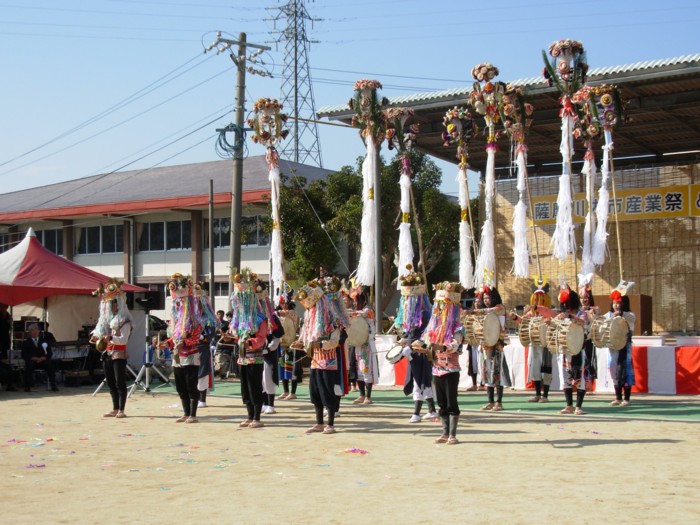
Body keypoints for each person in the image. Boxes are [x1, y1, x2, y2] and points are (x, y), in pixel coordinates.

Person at [294, 277, 348, 435]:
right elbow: (307, 339)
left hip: (328, 360)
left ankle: (330, 423)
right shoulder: (310, 319)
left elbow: (335, 340)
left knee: (327, 391)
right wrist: (300, 343)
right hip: (315, 361)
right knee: (315, 391)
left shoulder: (332, 319)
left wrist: (320, 345)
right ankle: (319, 422)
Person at [415, 281, 464, 444]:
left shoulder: (456, 327)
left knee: (451, 402)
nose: (441, 309)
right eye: (439, 305)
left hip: (450, 369)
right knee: (441, 402)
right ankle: (444, 432)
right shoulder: (434, 326)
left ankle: (452, 434)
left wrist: (441, 346)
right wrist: (420, 346)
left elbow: (455, 345)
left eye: (444, 305)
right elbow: (425, 341)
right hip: (437, 368)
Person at [228, 272, 272, 428]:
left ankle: (257, 417)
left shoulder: (260, 318)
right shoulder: (238, 318)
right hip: (242, 357)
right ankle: (249, 415)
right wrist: (233, 336)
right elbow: (234, 331)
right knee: (245, 388)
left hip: (255, 357)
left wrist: (250, 343)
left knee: (255, 387)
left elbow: (262, 338)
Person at [394, 265, 437, 423]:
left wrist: (413, 344)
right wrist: (402, 341)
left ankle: (417, 412)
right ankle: (431, 410)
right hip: (413, 349)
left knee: (420, 379)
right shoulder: (409, 312)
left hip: (421, 350)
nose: (407, 300)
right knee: (420, 378)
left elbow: (428, 332)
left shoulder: (425, 312)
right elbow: (409, 333)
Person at [162, 274, 203, 423]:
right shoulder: (175, 321)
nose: (178, 304)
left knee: (191, 385)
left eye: (181, 301)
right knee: (180, 386)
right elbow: (174, 338)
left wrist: (183, 343)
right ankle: (186, 412)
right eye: (177, 302)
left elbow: (195, 337)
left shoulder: (194, 320)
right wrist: (167, 343)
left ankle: (193, 414)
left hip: (191, 355)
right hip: (178, 356)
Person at [91, 279, 132, 415]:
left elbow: (123, 340)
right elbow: (101, 332)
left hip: (119, 354)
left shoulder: (125, 322)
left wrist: (111, 338)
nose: (112, 306)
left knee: (120, 382)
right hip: (107, 354)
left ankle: (122, 409)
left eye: (114, 303)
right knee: (110, 382)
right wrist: (97, 337)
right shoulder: (107, 322)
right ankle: (115, 408)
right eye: (110, 304)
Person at [510, 282, 555, 403]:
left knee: (546, 369)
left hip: (546, 344)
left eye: (540, 298)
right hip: (534, 343)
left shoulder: (549, 312)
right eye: (536, 298)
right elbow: (523, 321)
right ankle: (537, 394)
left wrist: (535, 308)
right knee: (535, 368)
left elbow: (547, 312)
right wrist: (515, 317)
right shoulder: (531, 314)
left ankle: (545, 395)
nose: (537, 301)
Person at [553, 286, 589, 415]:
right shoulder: (561, 315)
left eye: (567, 303)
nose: (565, 306)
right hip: (564, 350)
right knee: (565, 378)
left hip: (578, 350)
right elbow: (554, 325)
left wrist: (570, 316)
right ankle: (569, 405)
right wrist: (550, 322)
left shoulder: (582, 314)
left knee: (580, 378)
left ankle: (578, 406)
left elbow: (582, 322)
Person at [475, 285, 510, 411]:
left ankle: (499, 402)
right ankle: (490, 401)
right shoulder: (484, 311)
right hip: (486, 344)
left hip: (497, 344)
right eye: (484, 298)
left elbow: (492, 310)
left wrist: (475, 311)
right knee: (487, 372)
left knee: (497, 372)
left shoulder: (500, 308)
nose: (485, 300)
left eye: (488, 297)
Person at [607, 283, 636, 407]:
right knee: (613, 368)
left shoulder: (629, 315)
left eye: (619, 303)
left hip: (625, 347)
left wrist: (621, 314)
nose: (616, 305)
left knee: (626, 369)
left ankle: (627, 398)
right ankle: (618, 397)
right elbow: (601, 323)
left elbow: (631, 319)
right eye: (614, 303)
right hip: (613, 347)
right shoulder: (609, 316)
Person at [348, 286, 378, 405]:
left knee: (366, 369)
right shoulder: (358, 312)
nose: (355, 302)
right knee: (359, 370)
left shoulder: (368, 310)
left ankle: (368, 396)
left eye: (357, 300)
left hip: (367, 344)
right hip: (358, 343)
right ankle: (361, 394)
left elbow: (360, 314)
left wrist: (349, 312)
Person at [194, 283, 219, 409]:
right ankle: (194, 397)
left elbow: (211, 334)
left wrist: (201, 337)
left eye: (199, 302)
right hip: (191, 348)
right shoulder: (190, 317)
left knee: (202, 373)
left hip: (202, 348)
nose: (197, 305)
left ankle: (202, 399)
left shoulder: (207, 318)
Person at [278, 292, 301, 400]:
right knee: (283, 367)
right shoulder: (279, 315)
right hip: (282, 344)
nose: (284, 305)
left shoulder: (293, 313)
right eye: (282, 303)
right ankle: (285, 391)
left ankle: (293, 392)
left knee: (292, 369)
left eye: (286, 303)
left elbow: (284, 313)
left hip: (292, 344)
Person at [21, 323, 58, 392]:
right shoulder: (26, 343)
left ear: (39, 331)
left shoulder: (44, 341)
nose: (34, 332)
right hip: (32, 361)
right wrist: (32, 358)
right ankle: (27, 386)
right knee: (28, 366)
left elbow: (49, 353)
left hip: (43, 361)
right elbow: (23, 354)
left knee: (50, 365)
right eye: (32, 330)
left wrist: (44, 358)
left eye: (36, 330)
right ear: (29, 332)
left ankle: (53, 385)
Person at [262, 310, 283, 414]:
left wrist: (267, 349)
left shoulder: (273, 318)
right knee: (260, 380)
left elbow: (276, 339)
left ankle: (271, 404)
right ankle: (264, 403)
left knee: (268, 379)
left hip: (269, 355)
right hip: (257, 354)